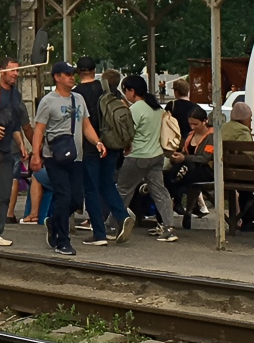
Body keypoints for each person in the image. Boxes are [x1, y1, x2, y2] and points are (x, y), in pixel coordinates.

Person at [30, 61, 107, 257]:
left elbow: (86, 125)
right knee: (63, 196)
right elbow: (39, 130)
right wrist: (36, 155)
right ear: (57, 77)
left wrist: (97, 142)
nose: (72, 77)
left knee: (74, 200)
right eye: (67, 74)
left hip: (76, 157)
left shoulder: (79, 99)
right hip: (54, 157)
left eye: (72, 74)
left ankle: (53, 221)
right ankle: (62, 241)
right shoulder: (48, 101)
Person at [74, 57, 133, 246]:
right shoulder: (107, 89)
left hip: (89, 146)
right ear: (94, 70)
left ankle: (99, 233)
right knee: (107, 183)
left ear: (78, 72)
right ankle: (122, 216)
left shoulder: (76, 94)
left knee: (90, 189)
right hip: (112, 144)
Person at [115, 75, 180, 243]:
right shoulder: (157, 109)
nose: (125, 95)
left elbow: (128, 133)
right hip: (156, 156)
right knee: (160, 192)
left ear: (132, 91)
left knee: (123, 190)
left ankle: (114, 224)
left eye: (125, 91)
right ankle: (169, 228)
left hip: (137, 156)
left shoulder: (136, 109)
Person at [0, 58, 30, 248]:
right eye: (12, 71)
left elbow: (14, 124)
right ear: (1, 71)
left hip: (5, 150)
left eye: (17, 71)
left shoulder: (15, 96)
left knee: (3, 192)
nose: (16, 74)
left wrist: (21, 144)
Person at [164, 106, 217, 227]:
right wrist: (178, 156)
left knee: (177, 178)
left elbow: (205, 158)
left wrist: (185, 158)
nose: (192, 127)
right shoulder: (191, 135)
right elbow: (185, 153)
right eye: (190, 124)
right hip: (189, 168)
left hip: (206, 170)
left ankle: (173, 198)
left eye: (196, 124)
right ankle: (176, 202)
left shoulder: (211, 136)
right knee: (173, 174)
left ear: (205, 121)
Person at [221, 101, 254, 230]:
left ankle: (238, 220)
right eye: (250, 119)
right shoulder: (242, 131)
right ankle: (250, 221)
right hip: (237, 174)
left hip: (222, 172)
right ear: (246, 118)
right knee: (249, 187)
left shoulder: (224, 127)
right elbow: (251, 153)